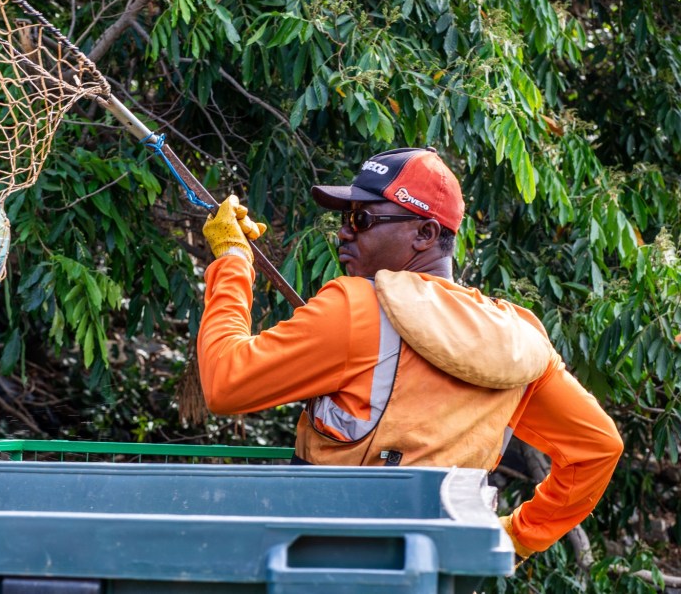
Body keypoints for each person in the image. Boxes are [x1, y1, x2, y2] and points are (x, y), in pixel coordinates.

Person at [197, 146, 623, 564]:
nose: (345, 231)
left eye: (362, 219)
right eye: (346, 218)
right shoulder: (521, 338)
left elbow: (225, 382)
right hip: (441, 572)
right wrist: (516, 537)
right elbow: (597, 448)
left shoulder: (356, 308)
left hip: (330, 565)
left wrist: (234, 261)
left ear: (425, 234)